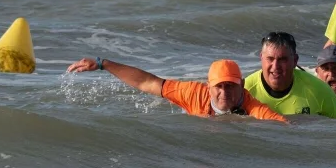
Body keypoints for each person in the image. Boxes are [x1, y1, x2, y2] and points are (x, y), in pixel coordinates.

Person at [65, 57, 287, 122]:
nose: (224, 92)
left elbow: (283, 126)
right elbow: (147, 83)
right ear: (208, 87)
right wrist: (104, 64)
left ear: (243, 86)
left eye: (231, 85)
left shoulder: (255, 109)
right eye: (219, 86)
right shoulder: (193, 93)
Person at [244, 31, 336, 118]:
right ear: (261, 58)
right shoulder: (245, 90)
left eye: (282, 59)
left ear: (295, 60)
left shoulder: (320, 91)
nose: (275, 66)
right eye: (270, 59)